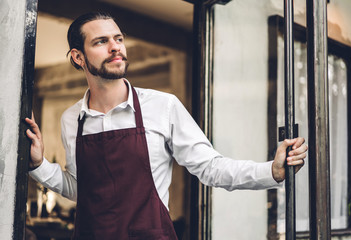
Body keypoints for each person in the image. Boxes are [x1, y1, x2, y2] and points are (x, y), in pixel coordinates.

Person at [26, 12, 307, 240]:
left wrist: (271, 170)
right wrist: (39, 165)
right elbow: (81, 189)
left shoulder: (163, 106)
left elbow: (211, 168)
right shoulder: (71, 119)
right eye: (101, 41)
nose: (115, 47)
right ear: (78, 57)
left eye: (118, 38)